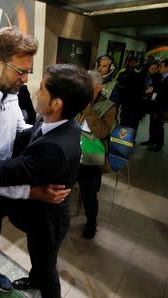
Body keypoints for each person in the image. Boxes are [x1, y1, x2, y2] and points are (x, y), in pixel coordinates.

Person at [0, 64, 92, 298]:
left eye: (41, 88)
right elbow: (25, 134)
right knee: (29, 255)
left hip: (48, 220)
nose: (32, 89)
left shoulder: (54, 148)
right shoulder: (55, 121)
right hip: (30, 213)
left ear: (56, 104)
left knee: (47, 269)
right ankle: (29, 278)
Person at [76, 70, 117, 239]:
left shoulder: (109, 106)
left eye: (87, 86)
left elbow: (102, 131)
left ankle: (91, 222)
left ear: (98, 87)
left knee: (89, 193)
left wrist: (88, 110)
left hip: (91, 156)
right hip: (73, 150)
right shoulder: (78, 99)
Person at [141, 58, 168, 152]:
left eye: (161, 67)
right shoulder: (159, 76)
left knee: (159, 126)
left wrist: (154, 90)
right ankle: (151, 140)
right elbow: (155, 86)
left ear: (167, 68)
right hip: (155, 104)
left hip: (164, 107)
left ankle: (159, 144)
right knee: (152, 124)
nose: (159, 69)